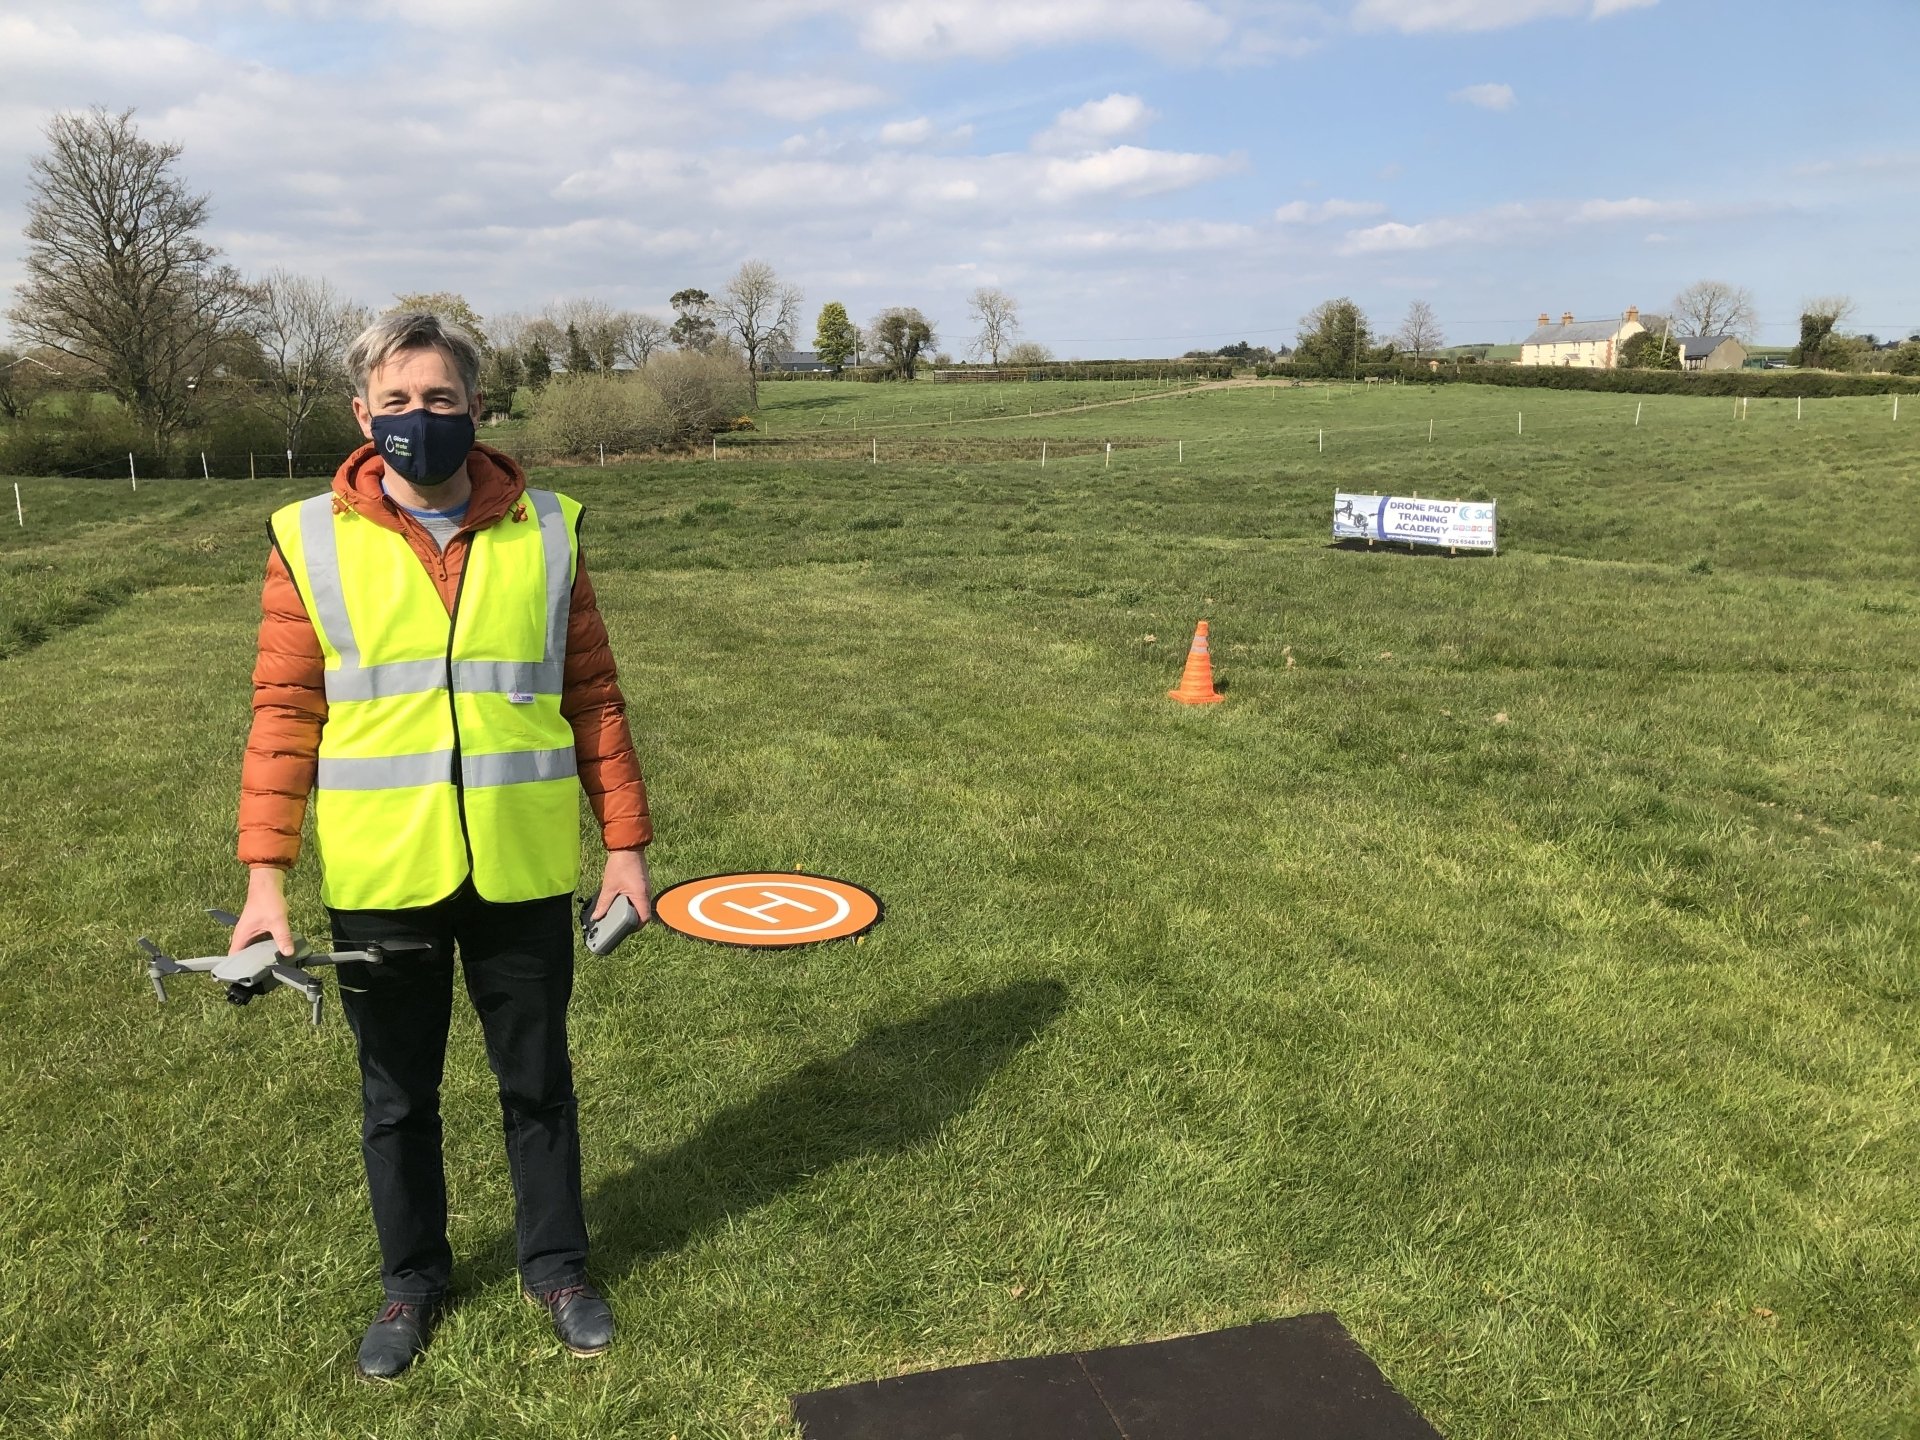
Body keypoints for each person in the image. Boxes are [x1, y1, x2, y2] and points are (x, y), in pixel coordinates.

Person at [228, 310, 653, 1380]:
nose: (420, 417)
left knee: (538, 1085)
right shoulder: (308, 538)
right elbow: (283, 716)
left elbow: (594, 698)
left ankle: (557, 1268)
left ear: (477, 406)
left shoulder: (548, 529)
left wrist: (625, 847)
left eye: (441, 398)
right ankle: (411, 1282)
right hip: (384, 876)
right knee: (396, 1099)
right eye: (398, 400)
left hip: (519, 870)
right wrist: (266, 880)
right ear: (361, 412)